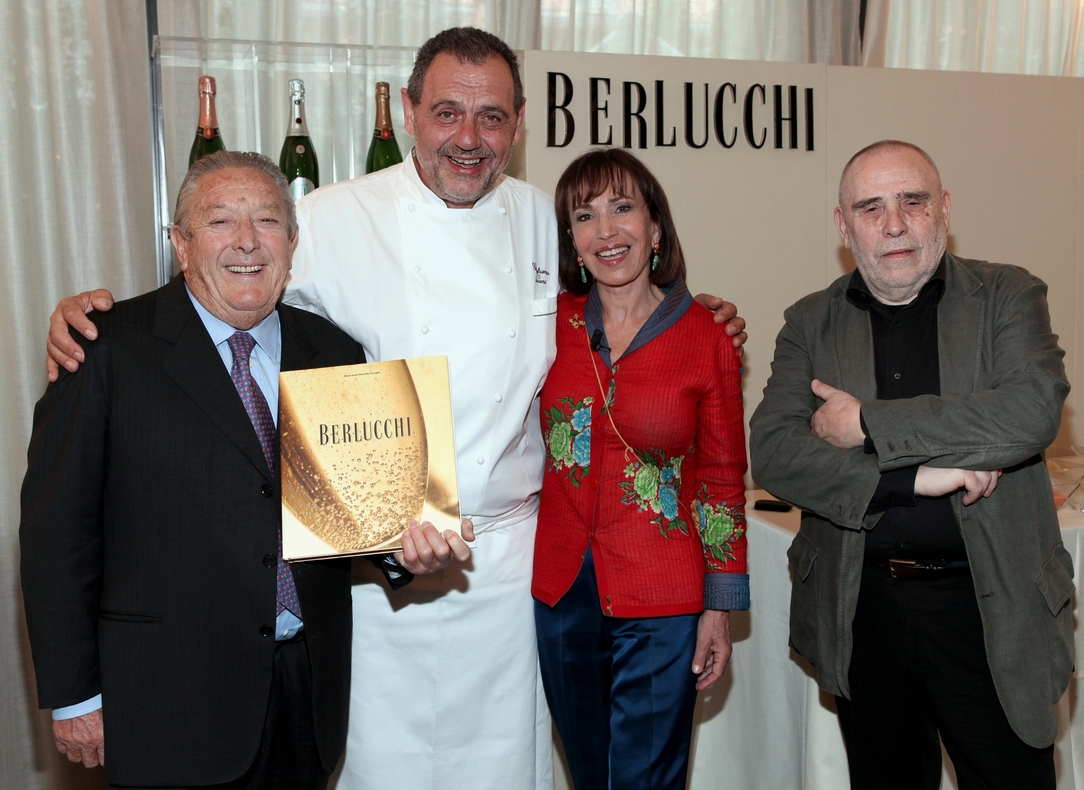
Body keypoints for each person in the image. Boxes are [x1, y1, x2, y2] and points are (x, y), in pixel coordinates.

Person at [44, 28, 746, 790]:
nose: (469, 139)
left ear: (518, 126)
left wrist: (696, 317)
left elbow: (614, 298)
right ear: (410, 112)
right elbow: (224, 282)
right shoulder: (336, 218)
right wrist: (91, 314)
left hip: (507, 571)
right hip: (379, 579)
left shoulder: (545, 218)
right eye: (447, 113)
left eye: (492, 118)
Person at [20, 151, 471, 789]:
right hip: (167, 701)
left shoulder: (334, 352)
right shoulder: (106, 348)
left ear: (291, 243)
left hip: (304, 694)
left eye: (266, 220)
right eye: (220, 221)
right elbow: (54, 534)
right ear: (181, 244)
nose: (246, 241)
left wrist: (410, 551)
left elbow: (353, 514)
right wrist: (74, 696)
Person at [749, 140, 1073, 789]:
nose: (893, 224)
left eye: (911, 202)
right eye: (870, 208)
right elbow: (775, 451)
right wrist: (915, 477)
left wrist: (865, 423)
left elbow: (1030, 413)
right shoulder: (810, 323)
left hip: (991, 610)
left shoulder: (1007, 295)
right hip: (861, 611)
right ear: (844, 227)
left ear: (944, 210)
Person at [532, 148, 747, 790]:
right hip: (562, 591)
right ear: (570, 241)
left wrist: (720, 607)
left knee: (645, 778)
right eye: (585, 216)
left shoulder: (707, 335)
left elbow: (721, 476)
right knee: (590, 774)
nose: (607, 231)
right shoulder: (550, 323)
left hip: (665, 596)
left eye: (623, 208)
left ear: (656, 227)